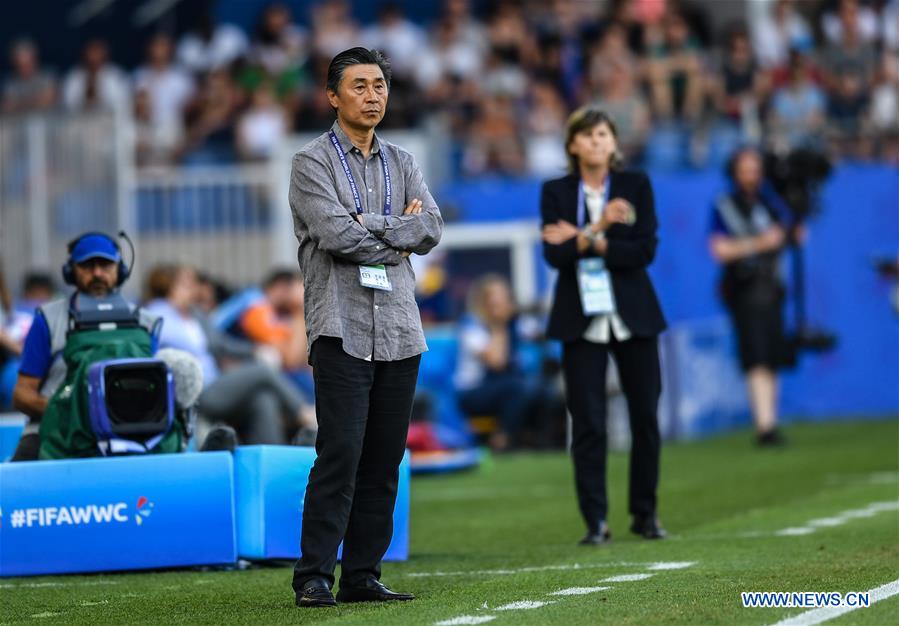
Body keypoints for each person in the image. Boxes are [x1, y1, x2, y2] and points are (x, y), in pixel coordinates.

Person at [289, 47, 442, 607]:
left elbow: (431, 227)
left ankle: (362, 574)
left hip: (401, 328)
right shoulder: (310, 162)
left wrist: (371, 224)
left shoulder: (403, 160)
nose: (372, 95)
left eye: (379, 85)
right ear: (332, 96)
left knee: (383, 460)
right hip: (340, 327)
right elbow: (335, 236)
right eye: (358, 86)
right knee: (341, 452)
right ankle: (313, 576)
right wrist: (393, 230)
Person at [540, 107, 667, 546]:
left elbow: (643, 250)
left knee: (645, 418)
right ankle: (596, 521)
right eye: (588, 135)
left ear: (614, 143)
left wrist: (582, 238)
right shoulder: (556, 191)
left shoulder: (636, 185)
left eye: (603, 134)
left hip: (635, 315)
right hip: (581, 319)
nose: (597, 142)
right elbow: (554, 257)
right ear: (573, 144)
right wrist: (601, 225)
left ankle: (645, 514)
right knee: (589, 423)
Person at [10, 233, 161, 460]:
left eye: (105, 265)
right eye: (87, 265)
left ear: (120, 269)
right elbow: (22, 394)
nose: (97, 273)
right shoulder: (48, 320)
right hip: (57, 431)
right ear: (71, 271)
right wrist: (67, 411)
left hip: (130, 433)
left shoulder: (147, 323)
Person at [143, 264, 313, 445]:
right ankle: (304, 414)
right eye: (186, 284)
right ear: (169, 285)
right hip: (194, 392)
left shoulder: (194, 315)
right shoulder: (158, 313)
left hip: (215, 382)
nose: (193, 289)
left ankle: (269, 459)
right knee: (262, 371)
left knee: (263, 399)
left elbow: (224, 345)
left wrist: (254, 350)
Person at [709, 148, 792, 446]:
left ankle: (771, 421)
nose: (751, 176)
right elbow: (719, 249)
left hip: (772, 288)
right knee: (755, 356)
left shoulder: (769, 203)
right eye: (745, 169)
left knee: (772, 356)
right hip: (744, 289)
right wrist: (759, 243)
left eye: (755, 169)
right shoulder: (726, 205)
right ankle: (764, 425)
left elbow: (787, 235)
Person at [454, 274, 557, 450]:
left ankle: (540, 443)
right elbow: (497, 362)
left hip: (506, 387)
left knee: (544, 390)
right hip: (474, 392)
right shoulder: (471, 326)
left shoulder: (516, 323)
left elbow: (541, 333)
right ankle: (502, 439)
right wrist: (498, 325)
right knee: (517, 388)